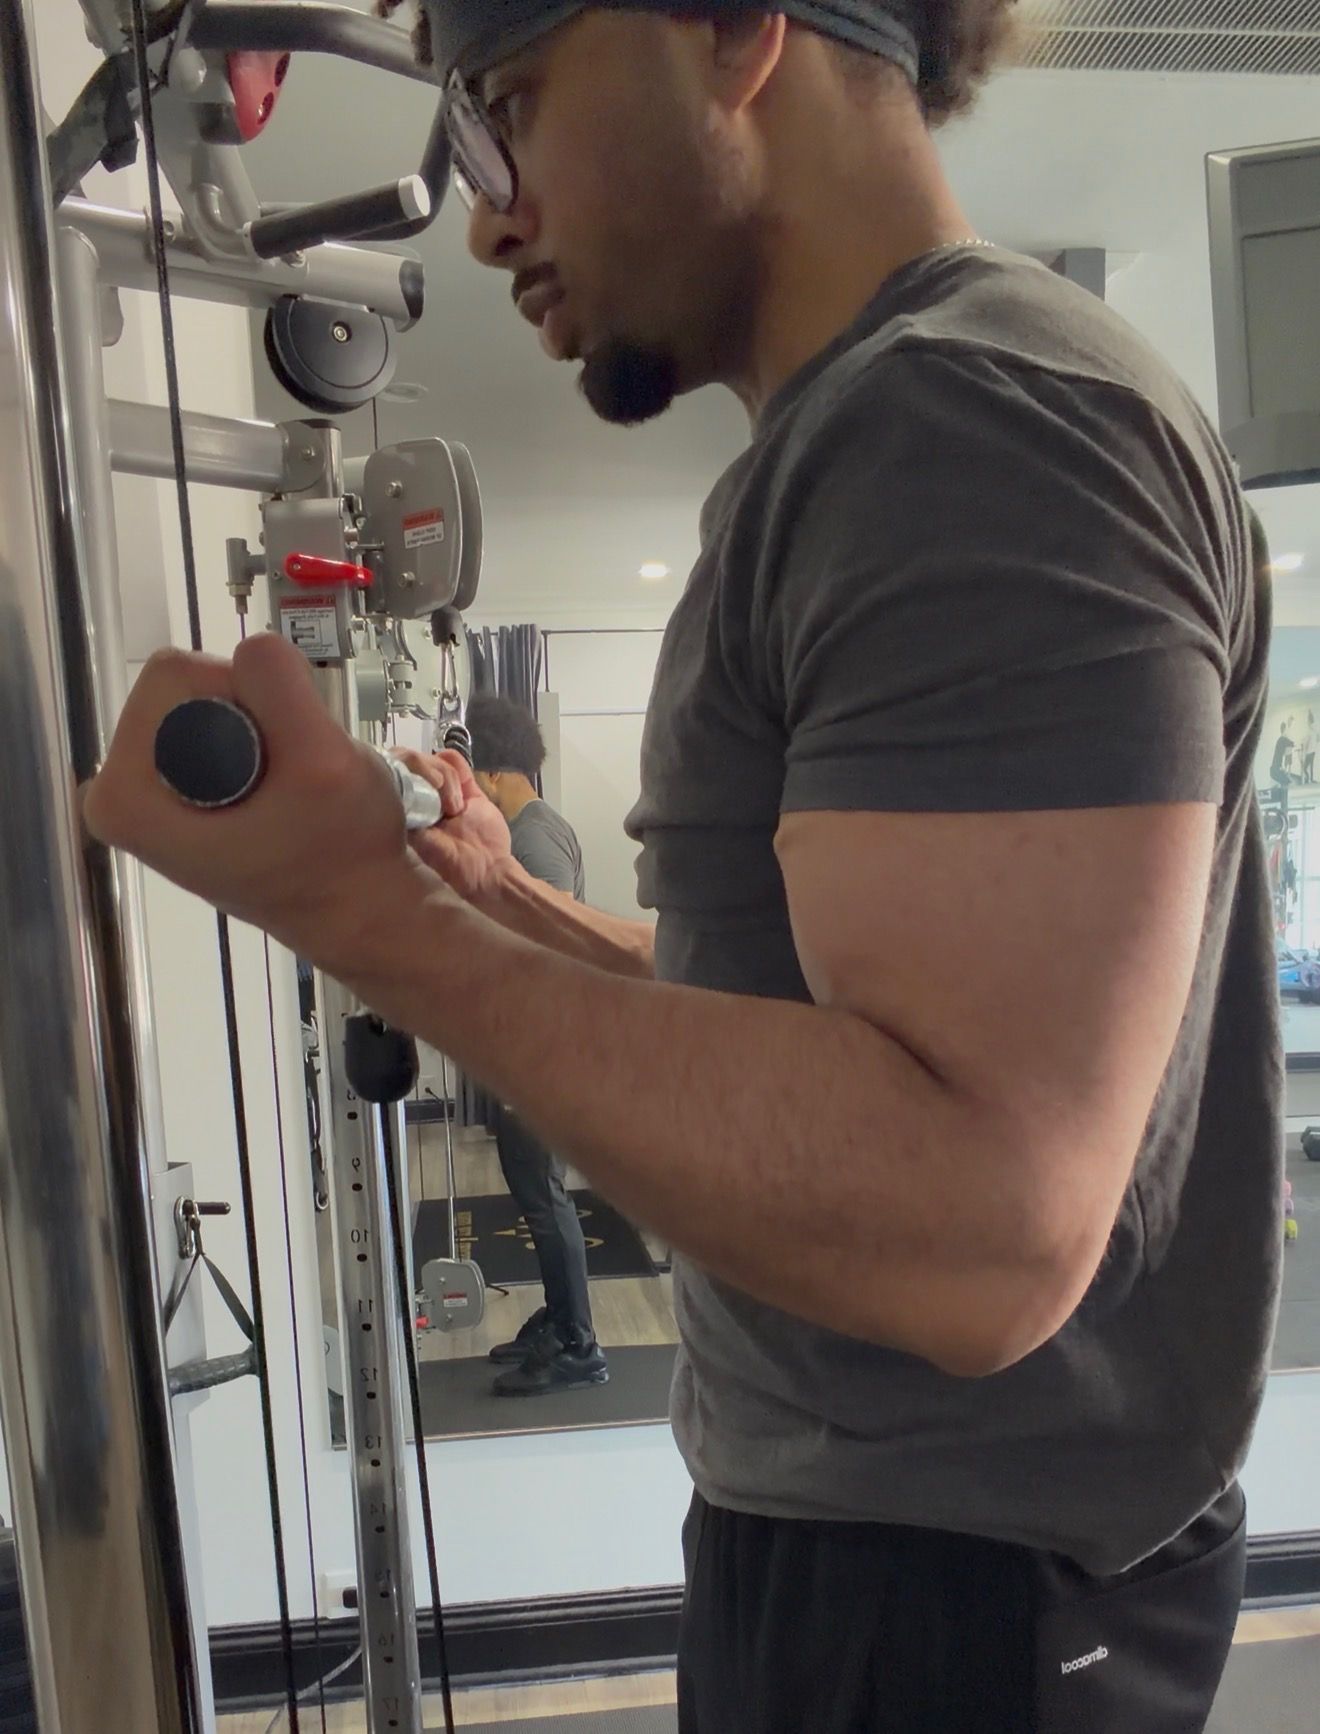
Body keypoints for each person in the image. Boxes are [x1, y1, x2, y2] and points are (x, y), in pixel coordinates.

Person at [86, 4, 1281, 1729]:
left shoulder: (967, 420)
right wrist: (489, 895)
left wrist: (347, 904)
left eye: (503, 110)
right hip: (893, 1545)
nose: (486, 214)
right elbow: (811, 1022)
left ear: (728, 34)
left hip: (959, 1593)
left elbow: (977, 1222)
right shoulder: (880, 428)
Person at [463, 694, 608, 1395]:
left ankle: (580, 1343)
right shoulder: (532, 828)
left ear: (491, 776)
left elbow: (550, 942)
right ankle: (558, 1317)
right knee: (530, 1189)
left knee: (543, 1195)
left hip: (540, 1047)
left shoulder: (536, 837)